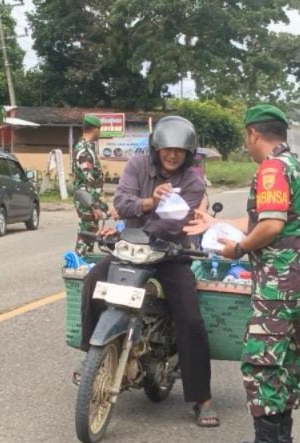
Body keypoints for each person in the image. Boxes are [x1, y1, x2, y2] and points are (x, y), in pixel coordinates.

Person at [185, 105, 300, 443]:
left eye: (246, 138)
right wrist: (214, 223)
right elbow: (265, 220)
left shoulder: (271, 168)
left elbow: (271, 226)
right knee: (286, 366)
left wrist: (239, 249)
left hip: (280, 286)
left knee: (261, 369)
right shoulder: (292, 166)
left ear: (253, 134)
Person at [77, 116, 220, 427]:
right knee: (91, 282)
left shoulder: (193, 182)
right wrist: (148, 202)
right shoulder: (137, 166)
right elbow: (122, 202)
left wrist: (145, 219)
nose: (172, 155)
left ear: (188, 153)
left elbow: (174, 224)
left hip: (171, 254)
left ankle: (201, 398)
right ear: (156, 149)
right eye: (167, 150)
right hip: (130, 248)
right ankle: (92, 357)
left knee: (191, 319)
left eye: (179, 151)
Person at [73, 115, 107, 256]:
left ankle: (84, 267)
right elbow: (88, 180)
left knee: (90, 235)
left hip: (88, 200)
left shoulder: (85, 147)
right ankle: (78, 265)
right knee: (86, 236)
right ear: (95, 129)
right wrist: (94, 206)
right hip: (87, 200)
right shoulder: (85, 151)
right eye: (99, 130)